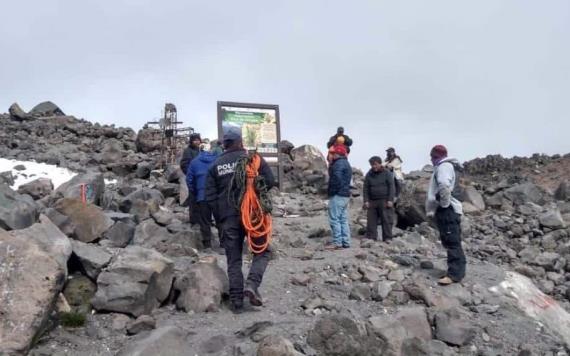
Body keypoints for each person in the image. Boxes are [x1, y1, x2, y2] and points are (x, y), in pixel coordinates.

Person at [205, 127, 275, 314]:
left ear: (225, 144)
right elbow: (270, 180)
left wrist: (220, 218)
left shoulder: (215, 166)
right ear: (240, 142)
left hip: (228, 218)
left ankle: (236, 302)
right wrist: (257, 194)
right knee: (263, 251)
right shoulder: (254, 160)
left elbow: (210, 196)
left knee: (233, 259)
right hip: (253, 216)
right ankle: (251, 285)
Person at [425, 145, 466, 285]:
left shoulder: (444, 167)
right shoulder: (447, 166)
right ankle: (458, 271)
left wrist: (444, 204)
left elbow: (443, 185)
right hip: (450, 209)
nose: (431, 159)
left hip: (447, 209)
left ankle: (454, 274)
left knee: (451, 241)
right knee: (452, 240)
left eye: (433, 156)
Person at [186, 142, 220, 250]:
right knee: (220, 220)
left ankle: (207, 245)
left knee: (205, 221)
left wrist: (195, 192)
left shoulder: (194, 162)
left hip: (202, 196)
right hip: (216, 195)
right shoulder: (217, 160)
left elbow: (189, 180)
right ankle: (223, 245)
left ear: (200, 150)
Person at [363, 156, 395, 242]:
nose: (374, 166)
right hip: (372, 201)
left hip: (384, 200)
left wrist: (390, 200)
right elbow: (365, 188)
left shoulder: (387, 173)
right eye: (372, 165)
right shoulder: (369, 174)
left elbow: (391, 187)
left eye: (375, 164)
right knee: (371, 220)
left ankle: (388, 238)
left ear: (380, 164)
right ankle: (371, 237)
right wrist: (366, 201)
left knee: (386, 219)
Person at [326, 144, 352, 249]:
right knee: (343, 219)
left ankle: (337, 242)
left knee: (334, 218)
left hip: (338, 194)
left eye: (333, 153)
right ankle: (346, 241)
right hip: (345, 194)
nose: (332, 155)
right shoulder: (346, 163)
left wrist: (332, 191)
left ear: (337, 154)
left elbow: (336, 178)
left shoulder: (338, 164)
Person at [181, 133, 202, 224]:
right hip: (193, 179)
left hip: (201, 179)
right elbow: (184, 164)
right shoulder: (187, 151)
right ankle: (194, 220)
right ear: (191, 141)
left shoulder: (200, 150)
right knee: (193, 200)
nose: (197, 142)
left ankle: (201, 219)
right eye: (195, 140)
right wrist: (191, 174)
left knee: (201, 199)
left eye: (198, 140)